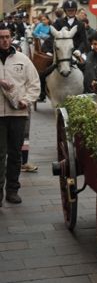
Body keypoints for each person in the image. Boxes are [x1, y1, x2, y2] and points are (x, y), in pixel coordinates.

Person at [0, 24, 41, 205]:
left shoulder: (23, 59)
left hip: (18, 114)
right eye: (1, 37)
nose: (5, 40)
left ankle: (12, 191)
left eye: (7, 36)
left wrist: (26, 100)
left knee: (15, 154)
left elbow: (34, 84)